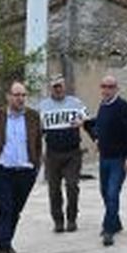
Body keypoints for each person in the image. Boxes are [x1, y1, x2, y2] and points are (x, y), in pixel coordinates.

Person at [0, 81, 43, 253]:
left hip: (25, 171)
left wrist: (35, 165)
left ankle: (7, 243)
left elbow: (38, 142)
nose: (20, 99)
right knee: (5, 209)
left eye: (23, 95)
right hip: (3, 171)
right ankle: (2, 249)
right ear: (8, 96)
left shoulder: (33, 117)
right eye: (17, 95)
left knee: (16, 210)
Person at [83, 74, 127, 247]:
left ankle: (108, 230)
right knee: (105, 192)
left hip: (119, 159)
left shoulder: (123, 107)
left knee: (112, 192)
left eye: (110, 86)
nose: (106, 90)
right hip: (104, 158)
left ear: (116, 88)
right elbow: (99, 125)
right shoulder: (103, 106)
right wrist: (87, 125)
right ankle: (115, 222)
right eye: (104, 86)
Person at [37, 75, 88, 233]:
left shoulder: (76, 103)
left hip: (72, 153)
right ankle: (58, 221)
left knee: (72, 186)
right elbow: (36, 130)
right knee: (54, 189)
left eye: (60, 86)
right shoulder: (42, 106)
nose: (58, 89)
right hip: (52, 154)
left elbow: (88, 120)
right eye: (55, 87)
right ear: (50, 88)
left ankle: (72, 219)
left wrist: (84, 123)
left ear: (64, 87)